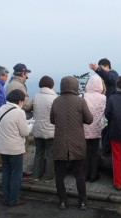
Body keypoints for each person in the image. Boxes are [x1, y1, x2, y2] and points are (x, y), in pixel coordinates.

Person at [50, 76, 93, 210]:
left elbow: (52, 120)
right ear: (75, 86)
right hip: (77, 142)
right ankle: (82, 202)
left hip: (60, 141)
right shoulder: (80, 101)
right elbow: (89, 119)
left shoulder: (56, 101)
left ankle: (63, 201)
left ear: (62, 86)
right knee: (79, 173)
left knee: (60, 174)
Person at [0, 90, 31, 207]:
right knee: (16, 173)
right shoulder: (19, 112)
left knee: (6, 172)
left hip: (2, 146)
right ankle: (14, 199)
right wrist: (31, 125)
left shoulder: (1, 109)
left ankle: (6, 197)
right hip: (14, 147)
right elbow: (24, 132)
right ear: (20, 101)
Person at [4, 63, 34, 179]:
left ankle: (17, 171)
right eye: (26, 74)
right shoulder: (18, 85)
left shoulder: (11, 83)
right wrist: (35, 105)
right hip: (20, 116)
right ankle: (19, 172)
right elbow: (25, 104)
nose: (27, 76)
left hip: (12, 117)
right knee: (22, 146)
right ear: (23, 73)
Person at [31, 76, 57, 183]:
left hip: (37, 130)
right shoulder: (54, 98)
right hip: (51, 130)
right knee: (51, 154)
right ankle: (49, 176)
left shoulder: (36, 96)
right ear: (52, 85)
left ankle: (36, 175)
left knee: (38, 153)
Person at [82, 75, 106, 183]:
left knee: (85, 153)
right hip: (97, 128)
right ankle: (93, 175)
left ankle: (85, 175)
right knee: (95, 153)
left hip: (84, 129)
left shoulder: (83, 96)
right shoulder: (103, 98)